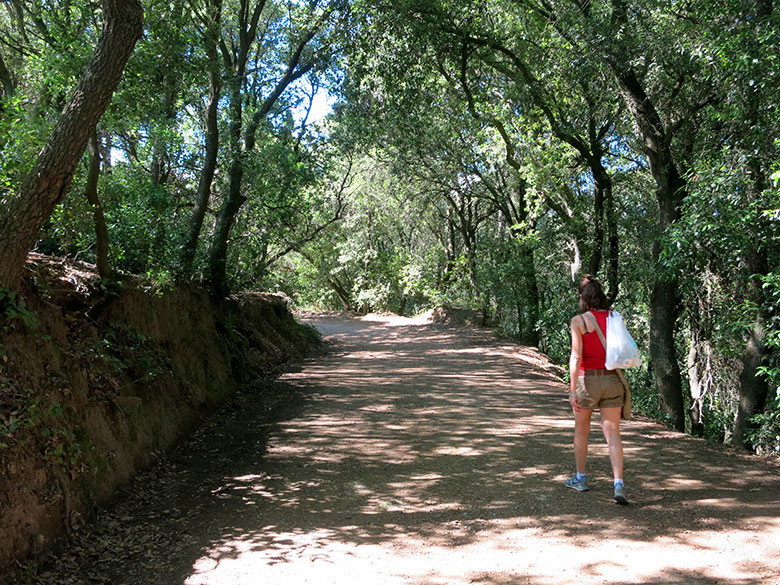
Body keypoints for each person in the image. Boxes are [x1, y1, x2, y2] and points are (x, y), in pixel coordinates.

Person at [565, 274, 628, 504]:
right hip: (612, 380)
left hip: (587, 381)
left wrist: (572, 391)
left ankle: (581, 478)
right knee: (613, 433)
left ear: (583, 299)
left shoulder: (579, 321)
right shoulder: (614, 317)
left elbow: (576, 357)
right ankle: (618, 483)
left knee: (581, 431)